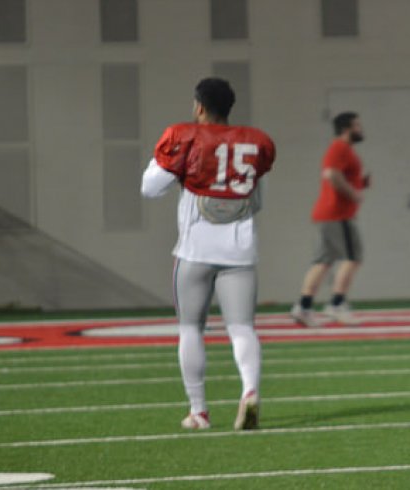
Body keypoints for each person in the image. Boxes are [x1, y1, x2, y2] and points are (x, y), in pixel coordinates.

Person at [141, 77, 275, 430]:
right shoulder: (254, 143)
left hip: (196, 248)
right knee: (243, 328)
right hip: (240, 248)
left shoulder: (184, 138)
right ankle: (249, 390)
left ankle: (199, 411)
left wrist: (175, 169)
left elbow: (150, 188)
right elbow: (257, 200)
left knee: (190, 328)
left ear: (198, 106)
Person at [290, 112, 369, 328]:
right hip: (337, 214)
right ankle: (337, 303)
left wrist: (360, 183)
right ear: (346, 129)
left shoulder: (342, 150)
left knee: (323, 262)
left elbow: (338, 175)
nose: (361, 129)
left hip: (327, 214)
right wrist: (353, 193)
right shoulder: (339, 148)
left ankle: (303, 307)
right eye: (357, 126)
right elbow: (332, 174)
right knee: (353, 257)